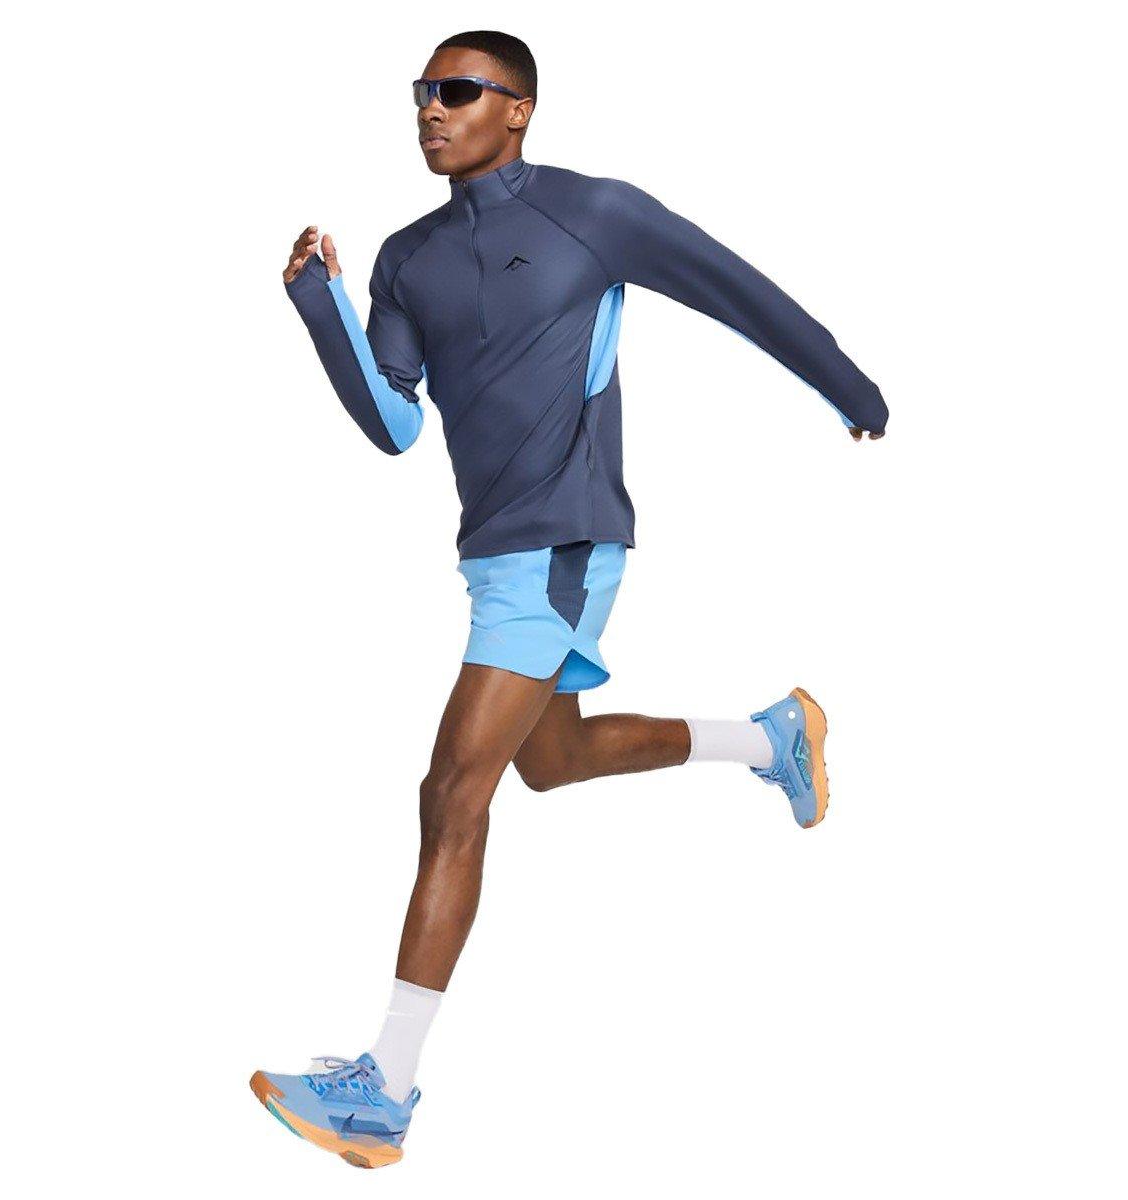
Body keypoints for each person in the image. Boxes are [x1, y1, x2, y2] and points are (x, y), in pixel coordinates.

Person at [250, 29, 887, 1169]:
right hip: (493, 552)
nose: (432, 109)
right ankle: (771, 737)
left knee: (454, 791)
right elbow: (395, 425)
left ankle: (383, 1092)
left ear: (520, 108)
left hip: (567, 539)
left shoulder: (593, 213)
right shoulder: (406, 259)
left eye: (458, 90)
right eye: (422, 91)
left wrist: (850, 388)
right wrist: (320, 307)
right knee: (550, 761)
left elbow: (737, 291)